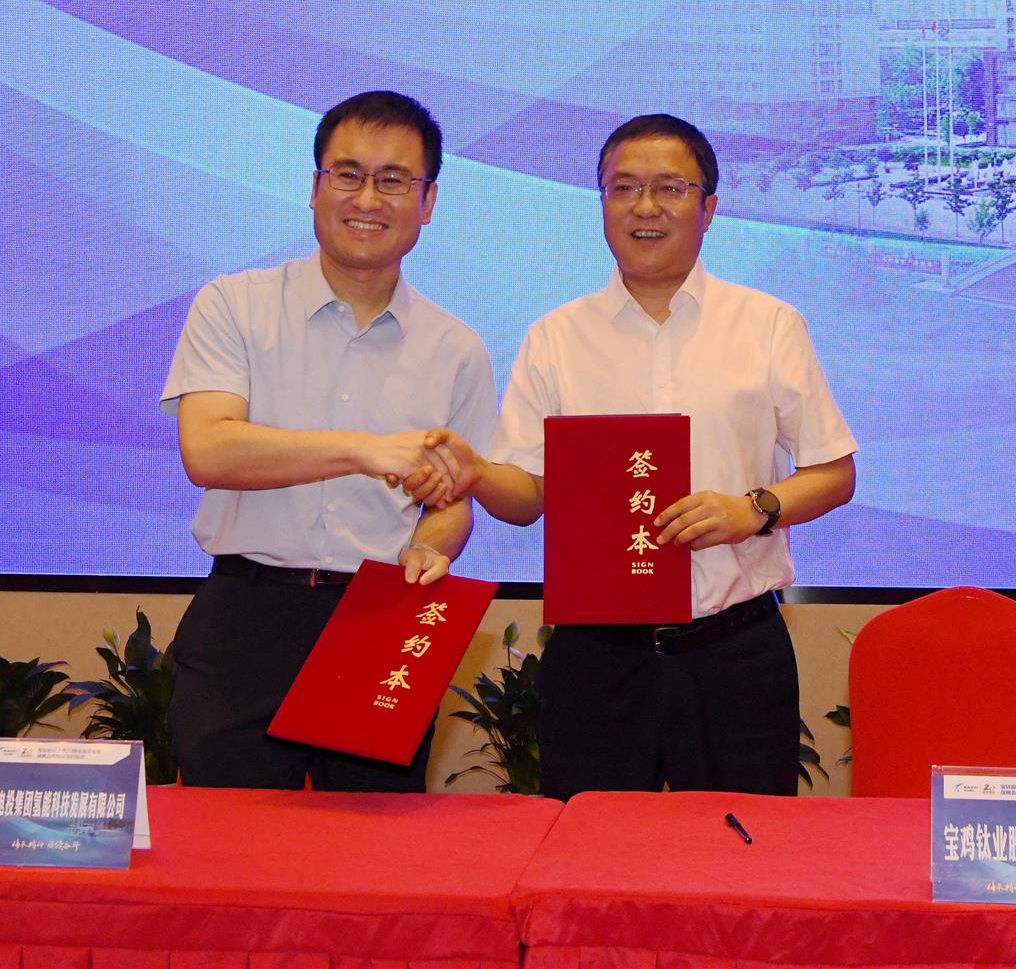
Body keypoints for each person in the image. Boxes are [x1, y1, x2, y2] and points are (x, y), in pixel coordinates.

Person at [412, 113, 856, 800]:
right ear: (602, 204)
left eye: (670, 188)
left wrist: (754, 509)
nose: (645, 207)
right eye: (623, 188)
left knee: (739, 852)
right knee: (589, 850)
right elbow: (528, 497)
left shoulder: (768, 325)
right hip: (597, 660)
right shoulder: (556, 337)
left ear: (709, 208)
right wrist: (477, 473)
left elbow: (834, 472)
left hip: (733, 651)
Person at [161, 90, 494, 791]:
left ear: (428, 201)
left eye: (394, 180)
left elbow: (452, 501)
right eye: (348, 174)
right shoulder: (234, 305)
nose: (367, 199)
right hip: (247, 617)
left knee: (373, 848)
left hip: (379, 621)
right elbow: (208, 450)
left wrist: (432, 547)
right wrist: (364, 450)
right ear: (316, 188)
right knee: (228, 844)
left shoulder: (456, 348)